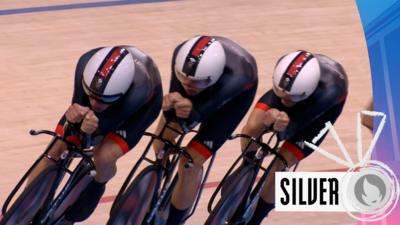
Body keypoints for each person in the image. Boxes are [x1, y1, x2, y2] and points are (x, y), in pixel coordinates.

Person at [30, 46, 163, 224]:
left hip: (137, 111)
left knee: (103, 156)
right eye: (92, 96)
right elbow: (77, 107)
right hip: (104, 91)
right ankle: (26, 208)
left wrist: (91, 129)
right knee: (58, 146)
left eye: (103, 100)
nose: (95, 103)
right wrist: (75, 118)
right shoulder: (85, 63)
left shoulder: (139, 90)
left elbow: (104, 127)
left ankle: (96, 185)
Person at [152, 35, 258, 225]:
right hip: (203, 81)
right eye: (184, 79)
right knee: (161, 142)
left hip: (229, 102)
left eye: (194, 83)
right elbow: (173, 112)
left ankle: (175, 221)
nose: (188, 85)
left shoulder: (240, 75)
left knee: (190, 162)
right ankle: (158, 177)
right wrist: (172, 107)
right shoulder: (181, 56)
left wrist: (189, 111)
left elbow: (200, 113)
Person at [241, 50, 348, 225]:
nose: (286, 101)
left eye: (291, 98)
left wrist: (281, 128)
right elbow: (255, 126)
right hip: (293, 87)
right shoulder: (285, 74)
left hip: (318, 111)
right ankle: (246, 168)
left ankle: (256, 218)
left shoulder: (331, 90)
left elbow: (293, 128)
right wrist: (264, 122)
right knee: (252, 128)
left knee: (282, 163)